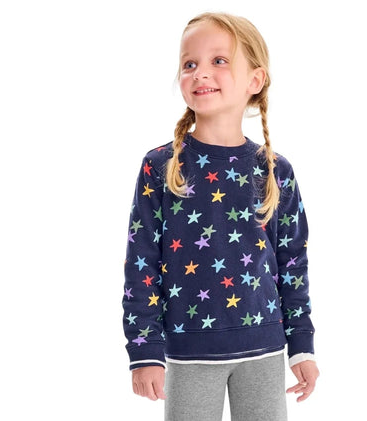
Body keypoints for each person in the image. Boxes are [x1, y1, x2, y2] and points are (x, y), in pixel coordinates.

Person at [122, 12, 319, 421]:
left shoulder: (275, 170)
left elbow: (293, 263)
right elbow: (141, 263)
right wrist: (144, 349)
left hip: (265, 349)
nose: (200, 73)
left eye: (219, 61)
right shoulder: (160, 167)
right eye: (189, 63)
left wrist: (302, 344)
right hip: (188, 352)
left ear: (255, 80)